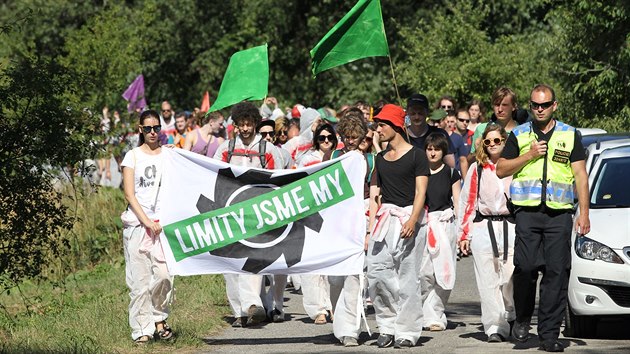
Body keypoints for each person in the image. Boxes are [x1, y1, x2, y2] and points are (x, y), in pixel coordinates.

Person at [496, 84, 590, 353]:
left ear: (554, 106)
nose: (539, 109)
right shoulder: (519, 133)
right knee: (525, 268)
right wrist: (529, 155)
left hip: (559, 214)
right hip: (527, 213)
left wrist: (583, 212)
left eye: (545, 105)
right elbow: (501, 168)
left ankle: (549, 334)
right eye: (535, 105)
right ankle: (523, 318)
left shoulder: (570, 135)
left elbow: (581, 176)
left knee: (556, 273)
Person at [213, 102, 285, 327]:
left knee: (253, 261)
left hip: (259, 214)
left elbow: (279, 179)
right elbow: (213, 176)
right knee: (230, 265)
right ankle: (239, 313)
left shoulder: (268, 150)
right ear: (235, 125)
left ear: (255, 123)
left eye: (249, 124)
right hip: (231, 212)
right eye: (241, 124)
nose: (245, 129)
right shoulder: (225, 148)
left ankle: (254, 304)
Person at [367, 104, 430, 348]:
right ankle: (386, 326)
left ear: (395, 126)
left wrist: (413, 220)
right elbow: (375, 191)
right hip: (385, 221)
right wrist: (371, 227)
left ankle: (407, 330)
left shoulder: (417, 155)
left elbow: (420, 191)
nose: (378, 129)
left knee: (407, 277)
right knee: (379, 274)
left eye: (382, 125)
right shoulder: (380, 159)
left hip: (408, 219)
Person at [120, 109, 174, 344]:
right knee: (139, 282)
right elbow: (130, 194)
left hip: (162, 227)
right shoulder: (132, 156)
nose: (153, 133)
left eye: (157, 128)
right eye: (148, 129)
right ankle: (142, 328)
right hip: (138, 225)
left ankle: (159, 317)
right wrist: (147, 222)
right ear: (140, 130)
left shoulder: (168, 155)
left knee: (164, 276)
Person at [458, 123, 515, 343]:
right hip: (484, 226)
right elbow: (468, 201)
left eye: (497, 140)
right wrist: (464, 234)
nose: (492, 145)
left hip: (510, 226)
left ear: (504, 141)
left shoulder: (514, 166)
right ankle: (494, 326)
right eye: (488, 141)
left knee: (510, 276)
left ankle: (510, 313)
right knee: (487, 279)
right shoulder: (478, 168)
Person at [326, 109, 373, 347]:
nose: (351, 140)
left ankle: (351, 330)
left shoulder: (370, 160)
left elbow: (375, 193)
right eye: (348, 136)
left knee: (355, 278)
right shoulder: (334, 155)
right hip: (336, 222)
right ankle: (339, 322)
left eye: (356, 136)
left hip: (359, 218)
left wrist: (369, 227)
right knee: (335, 279)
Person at [421, 133, 461, 332]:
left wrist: (462, 230)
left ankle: (435, 314)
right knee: (423, 272)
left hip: (445, 224)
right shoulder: (419, 172)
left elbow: (458, 200)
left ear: (443, 151)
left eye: (436, 149)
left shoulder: (451, 172)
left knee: (444, 272)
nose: (433, 152)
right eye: (429, 149)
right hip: (424, 224)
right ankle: (420, 312)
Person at [467, 87, 519, 165]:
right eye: (497, 105)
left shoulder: (523, 131)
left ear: (514, 106)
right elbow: (470, 161)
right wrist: (477, 151)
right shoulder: (482, 129)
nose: (500, 109)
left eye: (505, 105)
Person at [405, 93, 456, 168]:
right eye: (413, 113)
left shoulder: (440, 134)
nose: (416, 117)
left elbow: (451, 165)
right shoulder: (401, 135)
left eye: (420, 113)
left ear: (427, 113)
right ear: (407, 113)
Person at [455, 108, 474, 178]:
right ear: (455, 119)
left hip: (468, 175)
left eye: (467, 121)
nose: (464, 123)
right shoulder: (449, 136)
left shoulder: (472, 136)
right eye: (461, 120)